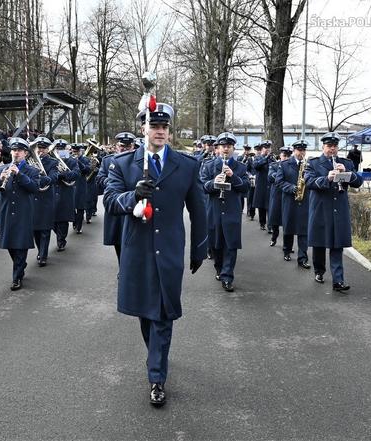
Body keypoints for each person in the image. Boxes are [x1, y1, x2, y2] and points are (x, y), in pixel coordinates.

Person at [103, 103, 207, 407]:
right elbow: (110, 201)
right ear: (143, 129)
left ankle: (156, 377)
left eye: (165, 127)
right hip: (137, 250)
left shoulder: (187, 165)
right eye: (154, 126)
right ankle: (157, 356)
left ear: (169, 131)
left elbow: (198, 209)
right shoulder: (123, 164)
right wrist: (133, 195)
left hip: (170, 251)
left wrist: (200, 248)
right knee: (146, 314)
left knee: (163, 312)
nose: (160, 131)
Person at [305, 132, 363, 291]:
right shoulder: (313, 163)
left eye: (335, 146)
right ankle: (319, 271)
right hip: (321, 208)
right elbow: (309, 182)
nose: (332, 149)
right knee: (319, 243)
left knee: (337, 244)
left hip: (339, 209)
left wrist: (348, 173)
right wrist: (327, 178)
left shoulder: (346, 162)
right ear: (323, 147)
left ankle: (338, 280)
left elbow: (358, 181)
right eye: (329, 146)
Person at [0, 137, 40, 291]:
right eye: (14, 150)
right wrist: (0, 179)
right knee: (10, 244)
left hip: (23, 212)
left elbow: (34, 188)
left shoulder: (32, 170)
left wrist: (19, 175)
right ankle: (20, 264)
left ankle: (16, 277)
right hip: (7, 212)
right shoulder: (0, 168)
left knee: (21, 245)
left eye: (19, 151)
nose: (16, 153)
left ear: (25, 153)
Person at [200, 132, 250, 292]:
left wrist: (233, 176)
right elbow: (202, 187)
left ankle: (228, 276)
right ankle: (219, 268)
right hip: (214, 210)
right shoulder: (208, 165)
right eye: (223, 146)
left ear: (233, 148)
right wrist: (214, 183)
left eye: (229, 146)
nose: (226, 149)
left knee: (231, 244)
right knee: (215, 243)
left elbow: (245, 188)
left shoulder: (241, 167)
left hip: (232, 211)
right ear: (218, 148)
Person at [96, 131, 136, 262]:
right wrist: (112, 182)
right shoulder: (108, 161)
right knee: (117, 239)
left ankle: (128, 267)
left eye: (128, 146)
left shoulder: (138, 160)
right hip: (115, 203)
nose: (124, 149)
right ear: (116, 146)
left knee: (132, 240)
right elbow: (100, 178)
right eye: (122, 146)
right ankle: (122, 266)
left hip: (132, 204)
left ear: (133, 146)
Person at [275, 140, 311, 268]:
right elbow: (279, 181)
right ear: (294, 151)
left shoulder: (308, 164)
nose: (301, 153)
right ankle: (286, 250)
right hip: (289, 201)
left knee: (303, 231)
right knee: (288, 228)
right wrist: (292, 188)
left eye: (303, 150)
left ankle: (302, 258)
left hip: (305, 201)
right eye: (299, 150)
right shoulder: (284, 164)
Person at [30, 137, 58, 266]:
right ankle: (40, 250)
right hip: (34, 198)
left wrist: (41, 178)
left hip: (46, 198)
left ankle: (43, 255)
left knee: (45, 229)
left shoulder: (53, 162)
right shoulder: (29, 161)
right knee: (35, 229)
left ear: (47, 149)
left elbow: (53, 177)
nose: (40, 150)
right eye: (39, 148)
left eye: (43, 148)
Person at [51, 139, 80, 251]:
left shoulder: (72, 161)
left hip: (65, 192)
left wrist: (64, 174)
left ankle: (61, 239)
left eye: (62, 149)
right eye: (58, 149)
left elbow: (76, 174)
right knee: (53, 220)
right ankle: (59, 235)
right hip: (53, 191)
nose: (60, 151)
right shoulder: (51, 160)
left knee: (63, 218)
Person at [267, 146, 292, 247]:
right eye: (284, 156)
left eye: (288, 156)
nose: (286, 158)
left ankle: (287, 247)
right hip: (277, 195)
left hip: (288, 196)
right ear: (280, 156)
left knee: (288, 221)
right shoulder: (274, 165)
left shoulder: (293, 166)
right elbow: (270, 177)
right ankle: (274, 237)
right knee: (275, 220)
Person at [252, 140, 273, 231]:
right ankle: (262, 223)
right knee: (261, 206)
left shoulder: (272, 158)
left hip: (270, 185)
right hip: (261, 185)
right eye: (265, 148)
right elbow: (256, 166)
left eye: (269, 148)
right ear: (262, 149)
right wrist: (266, 158)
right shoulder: (258, 158)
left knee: (270, 206)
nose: (267, 150)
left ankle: (270, 225)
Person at [71, 143, 91, 234]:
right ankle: (75, 221)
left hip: (81, 185)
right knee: (71, 207)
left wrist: (78, 161)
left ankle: (79, 226)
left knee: (80, 207)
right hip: (71, 185)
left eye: (76, 151)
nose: (75, 153)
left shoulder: (85, 159)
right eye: (73, 151)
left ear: (80, 151)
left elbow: (87, 170)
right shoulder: (69, 159)